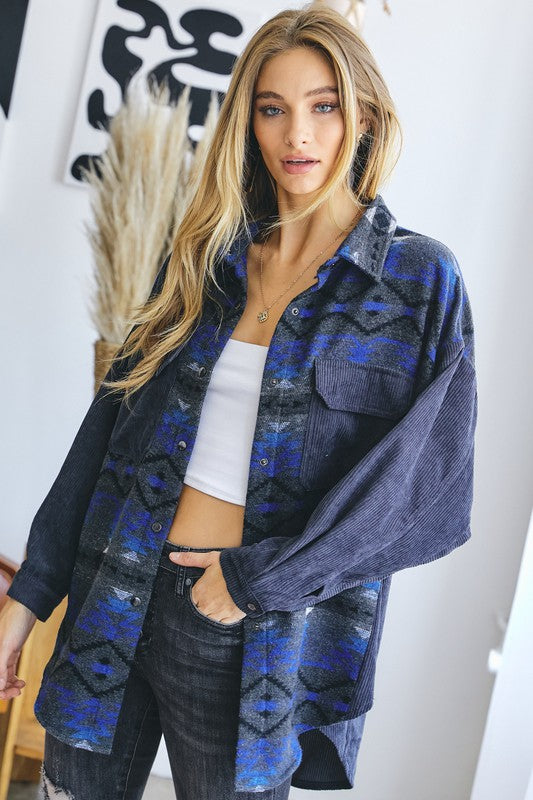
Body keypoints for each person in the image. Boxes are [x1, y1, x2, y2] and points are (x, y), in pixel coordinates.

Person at [0, 4, 477, 799]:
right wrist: (28, 598)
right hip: (114, 588)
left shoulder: (416, 281)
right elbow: (107, 434)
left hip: (247, 627)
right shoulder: (204, 255)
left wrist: (262, 580)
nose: (298, 135)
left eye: (324, 106)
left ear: (364, 118)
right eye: (272, 109)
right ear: (247, 124)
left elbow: (427, 494)